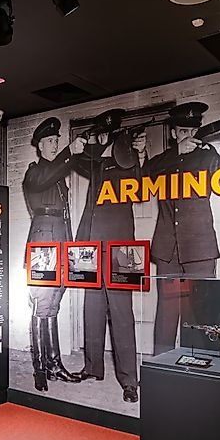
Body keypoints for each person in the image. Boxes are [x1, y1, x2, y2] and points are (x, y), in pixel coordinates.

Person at [71, 109, 140, 403]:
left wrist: (125, 147)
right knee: (92, 308)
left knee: (122, 314)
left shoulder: (129, 159)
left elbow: (137, 180)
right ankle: (92, 367)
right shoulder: (96, 162)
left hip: (122, 249)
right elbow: (77, 159)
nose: (100, 140)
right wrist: (79, 146)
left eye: (104, 135)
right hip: (90, 244)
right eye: (98, 134)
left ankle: (129, 381)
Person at [144, 102, 220, 354]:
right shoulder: (164, 160)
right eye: (180, 131)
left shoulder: (209, 156)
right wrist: (177, 152)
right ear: (173, 133)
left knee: (200, 315)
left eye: (191, 131)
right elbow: (144, 174)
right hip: (168, 250)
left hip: (199, 250)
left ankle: (198, 374)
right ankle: (161, 370)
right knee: (167, 313)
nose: (186, 136)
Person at [22, 117, 85, 391]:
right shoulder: (35, 172)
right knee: (41, 305)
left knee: (54, 303)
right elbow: (47, 177)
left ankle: (54, 364)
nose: (53, 145)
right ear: (38, 146)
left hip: (59, 239)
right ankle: (39, 367)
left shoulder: (58, 172)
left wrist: (71, 249)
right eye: (49, 141)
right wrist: (69, 152)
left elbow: (66, 214)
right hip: (43, 242)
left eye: (56, 141)